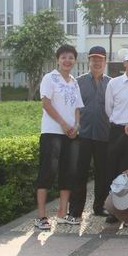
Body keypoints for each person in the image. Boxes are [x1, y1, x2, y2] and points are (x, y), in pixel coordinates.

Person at [34, 44, 84, 230]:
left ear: (75, 60)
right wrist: (63, 124)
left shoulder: (74, 82)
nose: (67, 60)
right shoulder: (50, 78)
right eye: (63, 57)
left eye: (71, 57)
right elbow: (46, 104)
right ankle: (41, 217)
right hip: (52, 132)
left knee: (68, 173)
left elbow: (77, 108)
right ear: (57, 60)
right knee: (47, 172)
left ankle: (62, 214)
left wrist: (76, 126)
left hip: (71, 134)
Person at [69, 46, 110, 220]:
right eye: (94, 59)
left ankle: (100, 206)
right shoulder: (78, 82)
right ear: (89, 61)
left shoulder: (111, 84)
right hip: (82, 135)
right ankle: (76, 210)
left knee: (103, 174)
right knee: (79, 173)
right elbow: (72, 107)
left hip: (104, 135)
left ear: (105, 61)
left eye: (100, 59)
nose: (97, 62)